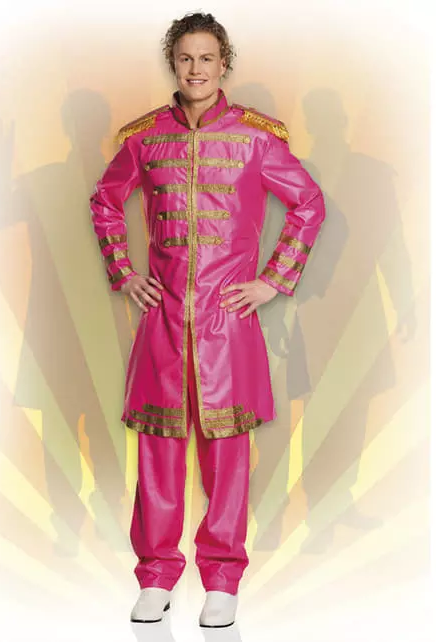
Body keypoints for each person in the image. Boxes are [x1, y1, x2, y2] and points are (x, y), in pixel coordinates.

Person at [89, 11, 326, 628]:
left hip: (228, 323)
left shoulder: (256, 137)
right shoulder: (143, 138)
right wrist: (124, 271)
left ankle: (222, 578)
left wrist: (273, 280)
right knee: (158, 452)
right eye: (185, 58)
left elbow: (308, 202)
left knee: (227, 456)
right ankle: (156, 576)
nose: (196, 69)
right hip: (163, 321)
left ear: (224, 64)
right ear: (174, 63)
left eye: (207, 58)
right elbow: (106, 201)